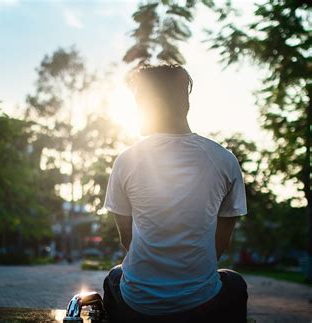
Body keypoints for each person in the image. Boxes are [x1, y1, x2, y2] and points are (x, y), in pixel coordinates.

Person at [102, 64, 248, 323]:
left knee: (114, 277)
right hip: (201, 303)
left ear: (152, 103)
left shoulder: (126, 160)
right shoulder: (224, 160)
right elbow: (220, 242)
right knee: (234, 283)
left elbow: (127, 239)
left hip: (138, 304)